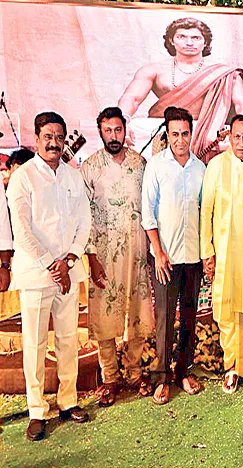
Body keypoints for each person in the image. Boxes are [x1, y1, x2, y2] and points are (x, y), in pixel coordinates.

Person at [7, 112, 91, 441]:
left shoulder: (73, 176)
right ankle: (37, 410)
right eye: (48, 137)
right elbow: (22, 230)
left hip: (68, 271)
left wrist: (69, 259)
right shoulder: (23, 177)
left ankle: (68, 401)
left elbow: (84, 221)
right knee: (35, 343)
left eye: (59, 137)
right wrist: (51, 264)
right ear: (37, 139)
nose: (54, 143)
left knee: (68, 339)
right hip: (36, 274)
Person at [81, 107, 154, 407]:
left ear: (125, 131)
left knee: (137, 313)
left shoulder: (140, 165)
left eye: (118, 130)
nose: (114, 136)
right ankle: (110, 377)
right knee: (105, 316)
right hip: (104, 257)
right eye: (108, 130)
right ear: (100, 132)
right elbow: (83, 216)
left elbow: (151, 208)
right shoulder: (90, 167)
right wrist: (91, 258)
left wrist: (152, 249)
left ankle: (134, 373)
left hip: (137, 254)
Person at [200, 114, 243, 394]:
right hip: (225, 254)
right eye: (237, 136)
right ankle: (231, 367)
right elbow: (206, 211)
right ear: (229, 137)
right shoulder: (216, 167)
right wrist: (207, 251)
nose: (241, 142)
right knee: (228, 312)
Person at [118, 17, 243, 159]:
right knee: (133, 127)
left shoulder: (223, 72)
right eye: (182, 37)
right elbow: (132, 98)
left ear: (205, 42)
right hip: (164, 128)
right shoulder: (154, 70)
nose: (189, 43)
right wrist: (122, 121)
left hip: (205, 130)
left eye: (196, 38)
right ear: (172, 40)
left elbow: (242, 103)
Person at [142, 107, 205, 405]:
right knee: (165, 319)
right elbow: (148, 214)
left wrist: (206, 254)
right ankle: (161, 378)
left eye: (185, 134)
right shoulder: (156, 166)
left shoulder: (200, 169)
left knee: (190, 317)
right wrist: (158, 252)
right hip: (165, 259)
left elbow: (206, 212)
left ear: (192, 134)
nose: (180, 140)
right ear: (167, 135)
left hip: (193, 257)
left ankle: (183, 371)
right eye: (175, 134)